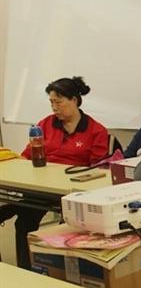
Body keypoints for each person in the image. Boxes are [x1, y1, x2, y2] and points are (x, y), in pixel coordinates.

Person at [0, 76, 109, 269]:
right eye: (51, 102)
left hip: (70, 191)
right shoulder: (45, 124)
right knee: (24, 220)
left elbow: (99, 169)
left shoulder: (95, 130)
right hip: (39, 186)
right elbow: (27, 156)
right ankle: (24, 270)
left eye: (58, 102)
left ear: (74, 100)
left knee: (57, 227)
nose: (54, 108)